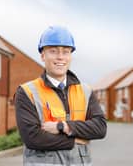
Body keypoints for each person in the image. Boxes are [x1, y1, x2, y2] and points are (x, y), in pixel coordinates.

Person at [14, 26, 107, 166]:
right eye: (53, 51)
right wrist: (75, 140)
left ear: (70, 56)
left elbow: (100, 128)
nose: (60, 57)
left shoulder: (85, 91)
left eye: (66, 51)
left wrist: (63, 127)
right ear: (42, 55)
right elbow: (32, 138)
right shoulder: (27, 92)